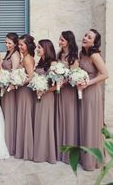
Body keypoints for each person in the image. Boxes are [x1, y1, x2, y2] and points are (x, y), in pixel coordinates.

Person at [78, 29, 108, 171]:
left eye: (89, 37)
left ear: (94, 42)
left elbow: (105, 74)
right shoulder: (82, 53)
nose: (85, 38)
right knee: (84, 122)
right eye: (85, 35)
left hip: (91, 91)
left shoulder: (94, 55)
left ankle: (91, 160)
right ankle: (84, 155)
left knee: (91, 123)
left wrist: (88, 83)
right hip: (83, 91)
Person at [55, 31, 79, 163]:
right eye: (59, 39)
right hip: (59, 90)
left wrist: (63, 81)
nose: (59, 42)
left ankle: (69, 153)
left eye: (62, 40)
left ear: (68, 42)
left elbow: (73, 76)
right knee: (60, 117)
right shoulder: (59, 54)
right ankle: (59, 150)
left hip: (68, 91)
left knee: (68, 119)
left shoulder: (73, 57)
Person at [33, 39, 57, 164]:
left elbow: (59, 85)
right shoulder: (41, 61)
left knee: (45, 123)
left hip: (47, 97)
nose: (37, 49)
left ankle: (46, 153)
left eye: (39, 47)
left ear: (46, 49)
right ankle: (38, 151)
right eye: (37, 47)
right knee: (39, 123)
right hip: (38, 95)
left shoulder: (53, 64)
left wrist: (44, 90)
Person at [15, 34, 36, 160]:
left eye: (21, 44)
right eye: (19, 44)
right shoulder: (25, 57)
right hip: (21, 90)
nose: (19, 46)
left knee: (25, 117)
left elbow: (31, 76)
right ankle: (23, 148)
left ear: (27, 45)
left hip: (24, 91)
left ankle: (26, 150)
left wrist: (17, 83)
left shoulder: (28, 59)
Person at [1, 32, 20, 155]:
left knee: (9, 114)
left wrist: (6, 82)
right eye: (6, 42)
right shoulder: (9, 53)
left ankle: (10, 144)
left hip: (10, 89)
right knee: (5, 114)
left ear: (15, 44)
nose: (7, 44)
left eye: (9, 43)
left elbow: (14, 73)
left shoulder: (15, 55)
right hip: (4, 87)